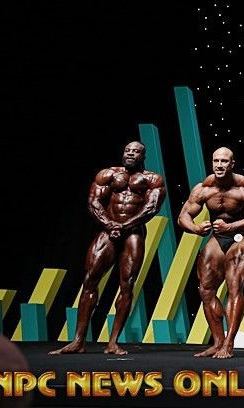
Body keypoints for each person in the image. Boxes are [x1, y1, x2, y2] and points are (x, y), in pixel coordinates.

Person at [50, 142, 166, 355]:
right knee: (89, 281)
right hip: (108, 231)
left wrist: (124, 226)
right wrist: (110, 224)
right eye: (128, 151)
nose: (130, 154)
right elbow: (93, 202)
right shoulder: (108, 174)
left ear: (143, 156)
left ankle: (113, 342)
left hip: (133, 234)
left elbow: (151, 208)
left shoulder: (152, 179)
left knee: (127, 284)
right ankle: (78, 341)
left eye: (136, 152)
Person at [178, 147, 244, 359]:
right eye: (216, 161)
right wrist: (195, 228)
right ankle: (217, 341)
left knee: (234, 287)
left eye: (224, 161)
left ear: (232, 164)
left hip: (240, 237)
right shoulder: (203, 188)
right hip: (217, 238)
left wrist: (232, 226)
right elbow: (183, 216)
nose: (219, 165)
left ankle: (229, 343)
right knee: (205, 290)